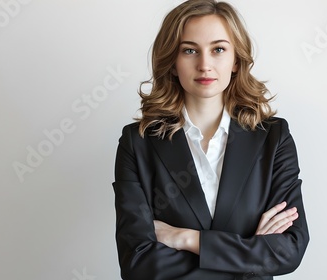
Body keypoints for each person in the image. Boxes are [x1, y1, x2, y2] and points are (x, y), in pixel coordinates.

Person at [112, 0, 309, 279]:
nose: (205, 65)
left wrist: (186, 239)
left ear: (236, 61)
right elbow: (138, 263)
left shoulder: (274, 138)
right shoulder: (138, 142)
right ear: (172, 62)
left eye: (218, 49)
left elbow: (289, 249)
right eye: (190, 50)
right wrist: (249, 252)